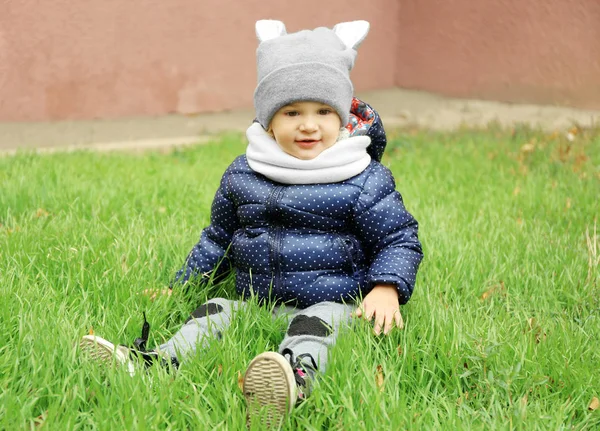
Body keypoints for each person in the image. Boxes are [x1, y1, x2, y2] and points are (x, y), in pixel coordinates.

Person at [80, 19, 423, 424]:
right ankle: (155, 365)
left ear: (343, 118)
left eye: (324, 111)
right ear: (268, 121)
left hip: (333, 299)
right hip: (257, 299)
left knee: (317, 326)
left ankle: (291, 382)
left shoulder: (362, 178)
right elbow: (218, 240)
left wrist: (386, 288)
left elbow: (398, 238)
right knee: (215, 310)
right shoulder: (244, 173)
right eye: (292, 111)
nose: (308, 124)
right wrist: (182, 286)